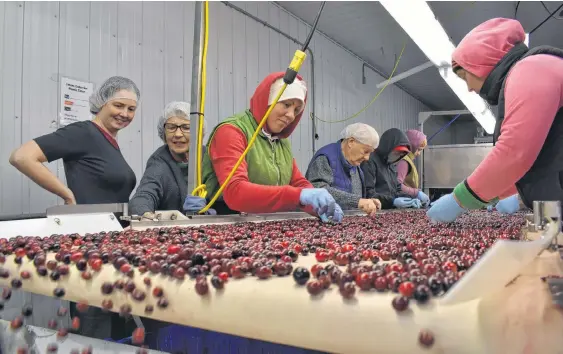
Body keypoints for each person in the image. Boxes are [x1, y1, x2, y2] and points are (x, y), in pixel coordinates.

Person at [9, 76, 140, 340]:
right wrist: (66, 194)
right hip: (90, 251)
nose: (124, 114)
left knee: (119, 329)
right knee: (94, 327)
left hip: (113, 250)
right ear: (101, 103)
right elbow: (22, 157)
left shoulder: (108, 140)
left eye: (131, 109)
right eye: (118, 106)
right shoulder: (83, 132)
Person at [427, 18, 563, 223]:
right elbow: (540, 155)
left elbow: (515, 151)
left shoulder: (531, 68)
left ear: (480, 61)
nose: (469, 88)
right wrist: (501, 193)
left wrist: (460, 198)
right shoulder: (534, 68)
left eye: (465, 78)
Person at [198, 72, 343, 222]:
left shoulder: (281, 141)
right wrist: (298, 196)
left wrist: (319, 206)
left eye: (296, 110)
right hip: (228, 223)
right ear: (267, 100)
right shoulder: (232, 131)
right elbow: (236, 193)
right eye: (286, 105)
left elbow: (297, 181)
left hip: (265, 222)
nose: (291, 116)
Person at [129, 101, 208, 219]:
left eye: (186, 128)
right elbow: (145, 193)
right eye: (171, 127)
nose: (177, 134)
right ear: (164, 133)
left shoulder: (210, 157)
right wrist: (144, 213)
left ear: (198, 132)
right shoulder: (159, 161)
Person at [306, 123, 381, 215]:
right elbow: (317, 188)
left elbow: (357, 199)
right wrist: (357, 201)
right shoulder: (325, 157)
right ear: (351, 142)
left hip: (345, 223)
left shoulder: (356, 167)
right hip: (323, 221)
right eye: (365, 151)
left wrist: (367, 202)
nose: (367, 158)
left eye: (370, 153)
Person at [361, 128, 422, 209]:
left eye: (401, 155)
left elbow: (396, 190)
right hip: (375, 210)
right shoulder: (369, 161)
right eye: (397, 153)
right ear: (388, 147)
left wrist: (411, 199)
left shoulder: (391, 164)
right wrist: (392, 201)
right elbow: (368, 193)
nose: (398, 156)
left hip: (388, 210)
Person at [396, 129, 430, 206]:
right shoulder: (403, 162)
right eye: (418, 150)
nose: (419, 153)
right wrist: (416, 193)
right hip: (404, 201)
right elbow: (397, 185)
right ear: (411, 146)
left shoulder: (407, 159)